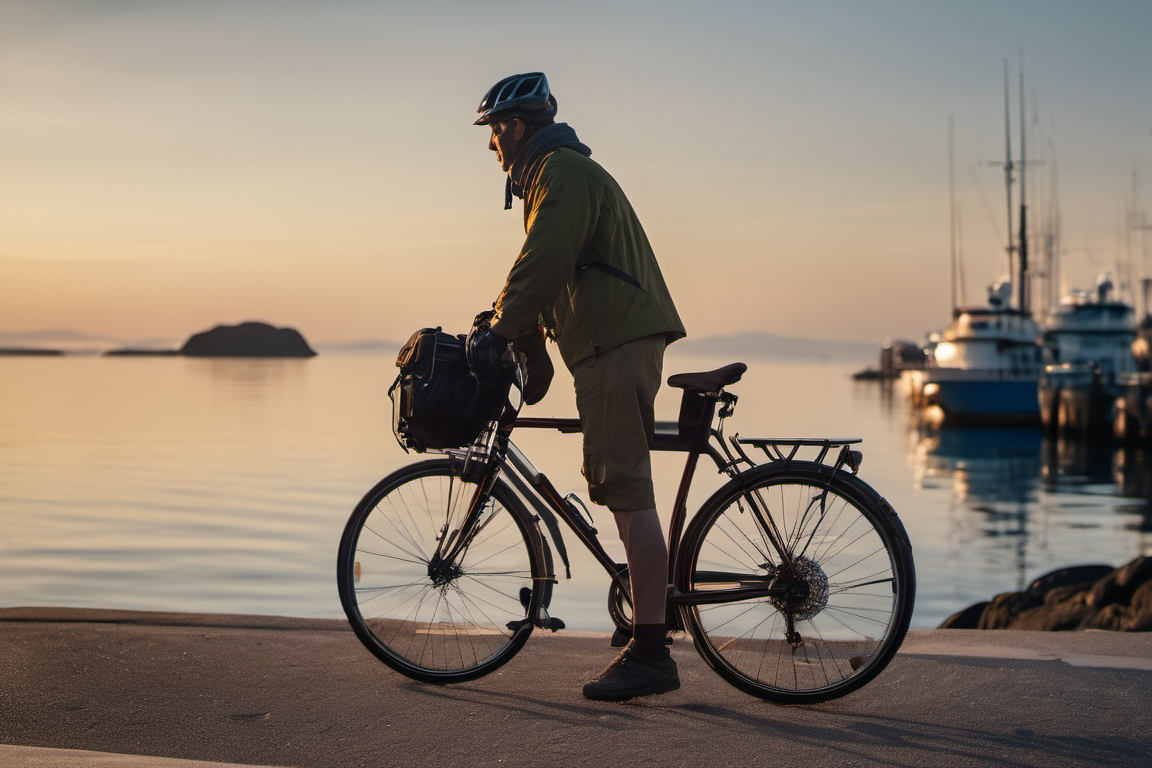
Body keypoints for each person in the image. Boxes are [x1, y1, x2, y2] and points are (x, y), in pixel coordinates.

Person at [466, 72, 687, 701]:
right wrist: (520, 339)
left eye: (495, 132)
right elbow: (552, 272)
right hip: (605, 345)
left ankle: (651, 653)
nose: (491, 147)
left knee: (628, 494)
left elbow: (545, 260)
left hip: (615, 346)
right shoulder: (550, 178)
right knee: (623, 487)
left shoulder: (561, 172)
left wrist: (503, 328)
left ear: (519, 127)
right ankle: (645, 621)